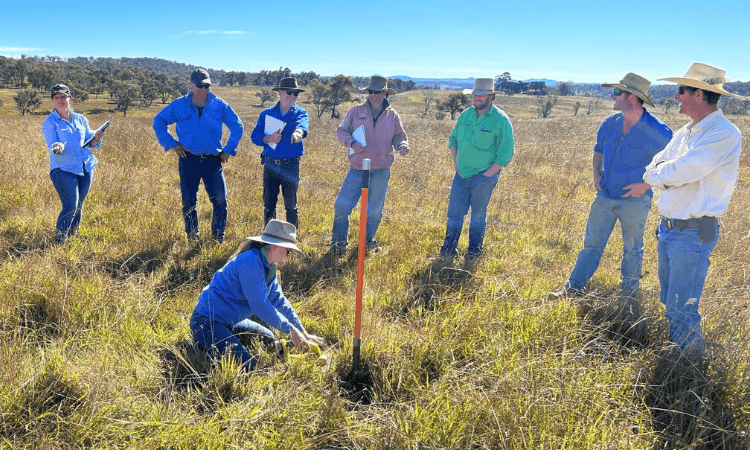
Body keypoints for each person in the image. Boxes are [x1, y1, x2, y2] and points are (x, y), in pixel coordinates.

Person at [634, 63, 742, 354]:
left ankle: (688, 369)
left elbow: (680, 171)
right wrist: (663, 176)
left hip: (693, 232)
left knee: (682, 307)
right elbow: (656, 166)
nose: (676, 95)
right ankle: (679, 355)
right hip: (669, 229)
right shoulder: (686, 132)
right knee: (670, 300)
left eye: (682, 90)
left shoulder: (724, 133)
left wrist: (662, 177)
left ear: (698, 93)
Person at [550, 73, 672, 298]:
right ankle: (571, 290)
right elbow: (598, 152)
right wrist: (596, 175)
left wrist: (643, 187)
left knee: (632, 249)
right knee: (591, 247)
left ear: (633, 98)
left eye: (618, 92)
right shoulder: (610, 123)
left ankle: (628, 296)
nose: (613, 96)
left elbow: (667, 168)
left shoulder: (659, 131)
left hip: (635, 201)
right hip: (605, 196)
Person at [189, 219, 325, 371]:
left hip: (230, 321)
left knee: (268, 339)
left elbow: (279, 301)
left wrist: (302, 332)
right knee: (249, 367)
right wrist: (291, 331)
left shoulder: (268, 267)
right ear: (275, 246)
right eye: (288, 250)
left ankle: (216, 343)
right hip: (207, 322)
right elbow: (260, 306)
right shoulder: (250, 262)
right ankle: (199, 349)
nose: (287, 255)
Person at [153, 68, 244, 242]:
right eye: (200, 86)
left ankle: (218, 237)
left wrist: (228, 150)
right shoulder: (179, 105)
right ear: (191, 84)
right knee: (188, 201)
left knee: (220, 200)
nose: (204, 90)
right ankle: (192, 237)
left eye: (207, 86)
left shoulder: (219, 105)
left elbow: (237, 126)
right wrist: (171, 144)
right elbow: (159, 121)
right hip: (188, 160)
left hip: (213, 161)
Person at [330, 75, 409, 253]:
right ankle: (338, 244)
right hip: (357, 168)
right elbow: (342, 131)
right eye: (371, 92)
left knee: (374, 211)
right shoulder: (356, 112)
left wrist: (401, 145)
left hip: (381, 170)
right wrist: (351, 143)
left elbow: (399, 135)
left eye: (378, 92)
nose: (373, 95)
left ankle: (366, 242)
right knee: (342, 205)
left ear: (385, 93)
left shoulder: (392, 115)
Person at [438, 78, 514, 261]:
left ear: (491, 96)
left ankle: (474, 253)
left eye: (482, 95)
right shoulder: (466, 115)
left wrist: (488, 174)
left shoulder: (500, 120)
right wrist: (456, 163)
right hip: (461, 175)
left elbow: (506, 153)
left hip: (483, 178)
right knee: (454, 214)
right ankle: (448, 251)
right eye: (476, 95)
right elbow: (453, 140)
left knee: (478, 216)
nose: (478, 98)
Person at [41, 84, 106, 244]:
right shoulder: (50, 122)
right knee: (70, 205)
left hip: (85, 166)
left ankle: (73, 237)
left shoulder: (80, 119)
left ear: (70, 98)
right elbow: (52, 143)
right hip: (63, 169)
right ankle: (60, 241)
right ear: (53, 100)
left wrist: (96, 138)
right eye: (56, 97)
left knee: (79, 205)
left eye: (63, 97)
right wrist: (58, 146)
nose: (60, 100)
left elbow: (88, 142)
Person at [250, 77, 309, 229]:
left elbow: (302, 126)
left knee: (290, 206)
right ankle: (270, 236)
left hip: (291, 166)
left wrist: (298, 133)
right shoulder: (266, 113)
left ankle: (291, 239)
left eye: (295, 93)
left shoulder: (300, 113)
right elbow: (254, 136)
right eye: (289, 92)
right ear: (280, 92)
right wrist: (267, 138)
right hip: (270, 164)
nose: (292, 96)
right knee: (269, 205)